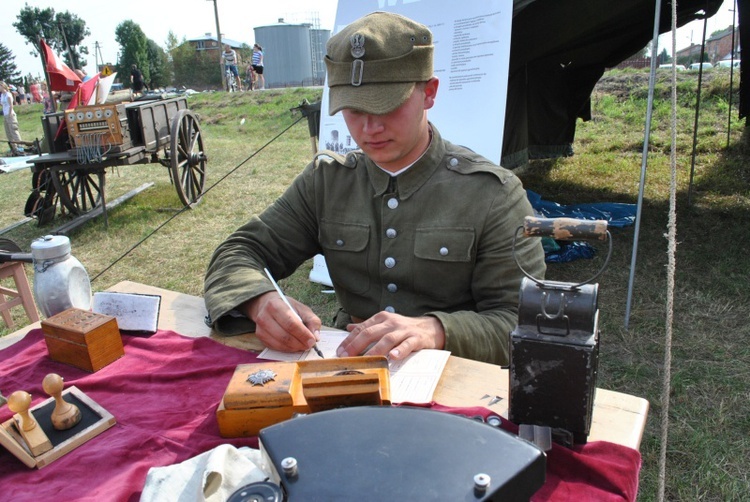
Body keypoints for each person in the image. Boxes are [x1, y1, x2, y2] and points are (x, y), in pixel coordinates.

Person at [204, 11, 545, 366]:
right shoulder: (327, 183)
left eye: (388, 106)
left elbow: (525, 320)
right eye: (353, 109)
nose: (369, 127)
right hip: (348, 373)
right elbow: (237, 253)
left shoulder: (493, 194)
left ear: (429, 93)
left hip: (455, 383)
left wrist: (436, 330)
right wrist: (259, 301)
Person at [1, 81, 24, 155]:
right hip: (5, 115)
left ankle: (20, 147)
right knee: (8, 132)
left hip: (10, 115)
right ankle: (13, 148)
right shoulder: (2, 95)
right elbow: (2, 104)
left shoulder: (8, 94)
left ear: (3, 86)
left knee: (14, 131)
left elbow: (11, 105)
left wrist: (10, 113)